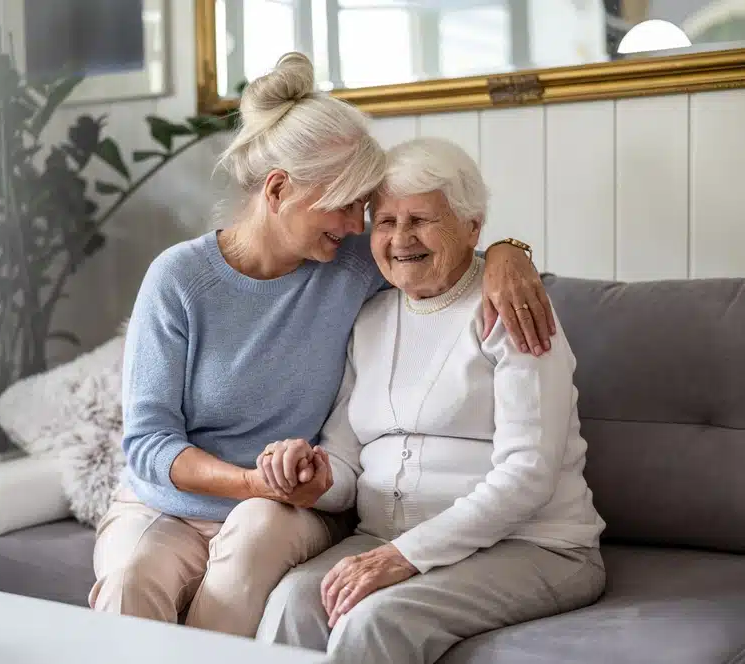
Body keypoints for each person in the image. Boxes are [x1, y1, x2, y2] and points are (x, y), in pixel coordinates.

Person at [89, 54, 557, 638]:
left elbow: (446, 255)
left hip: (289, 502)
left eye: (364, 207)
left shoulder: (349, 260)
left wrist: (512, 252)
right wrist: (249, 482)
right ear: (280, 189)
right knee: (132, 577)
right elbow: (150, 445)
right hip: (170, 501)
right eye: (344, 203)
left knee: (254, 536)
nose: (358, 224)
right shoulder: (179, 278)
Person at [256, 137, 607, 662]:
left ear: (472, 227)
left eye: (421, 219)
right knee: (292, 602)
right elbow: (348, 458)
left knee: (373, 620)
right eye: (386, 221)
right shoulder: (369, 319)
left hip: (534, 545)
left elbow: (528, 474)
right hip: (389, 537)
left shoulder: (511, 309)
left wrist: (405, 556)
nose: (400, 239)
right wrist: (316, 474)